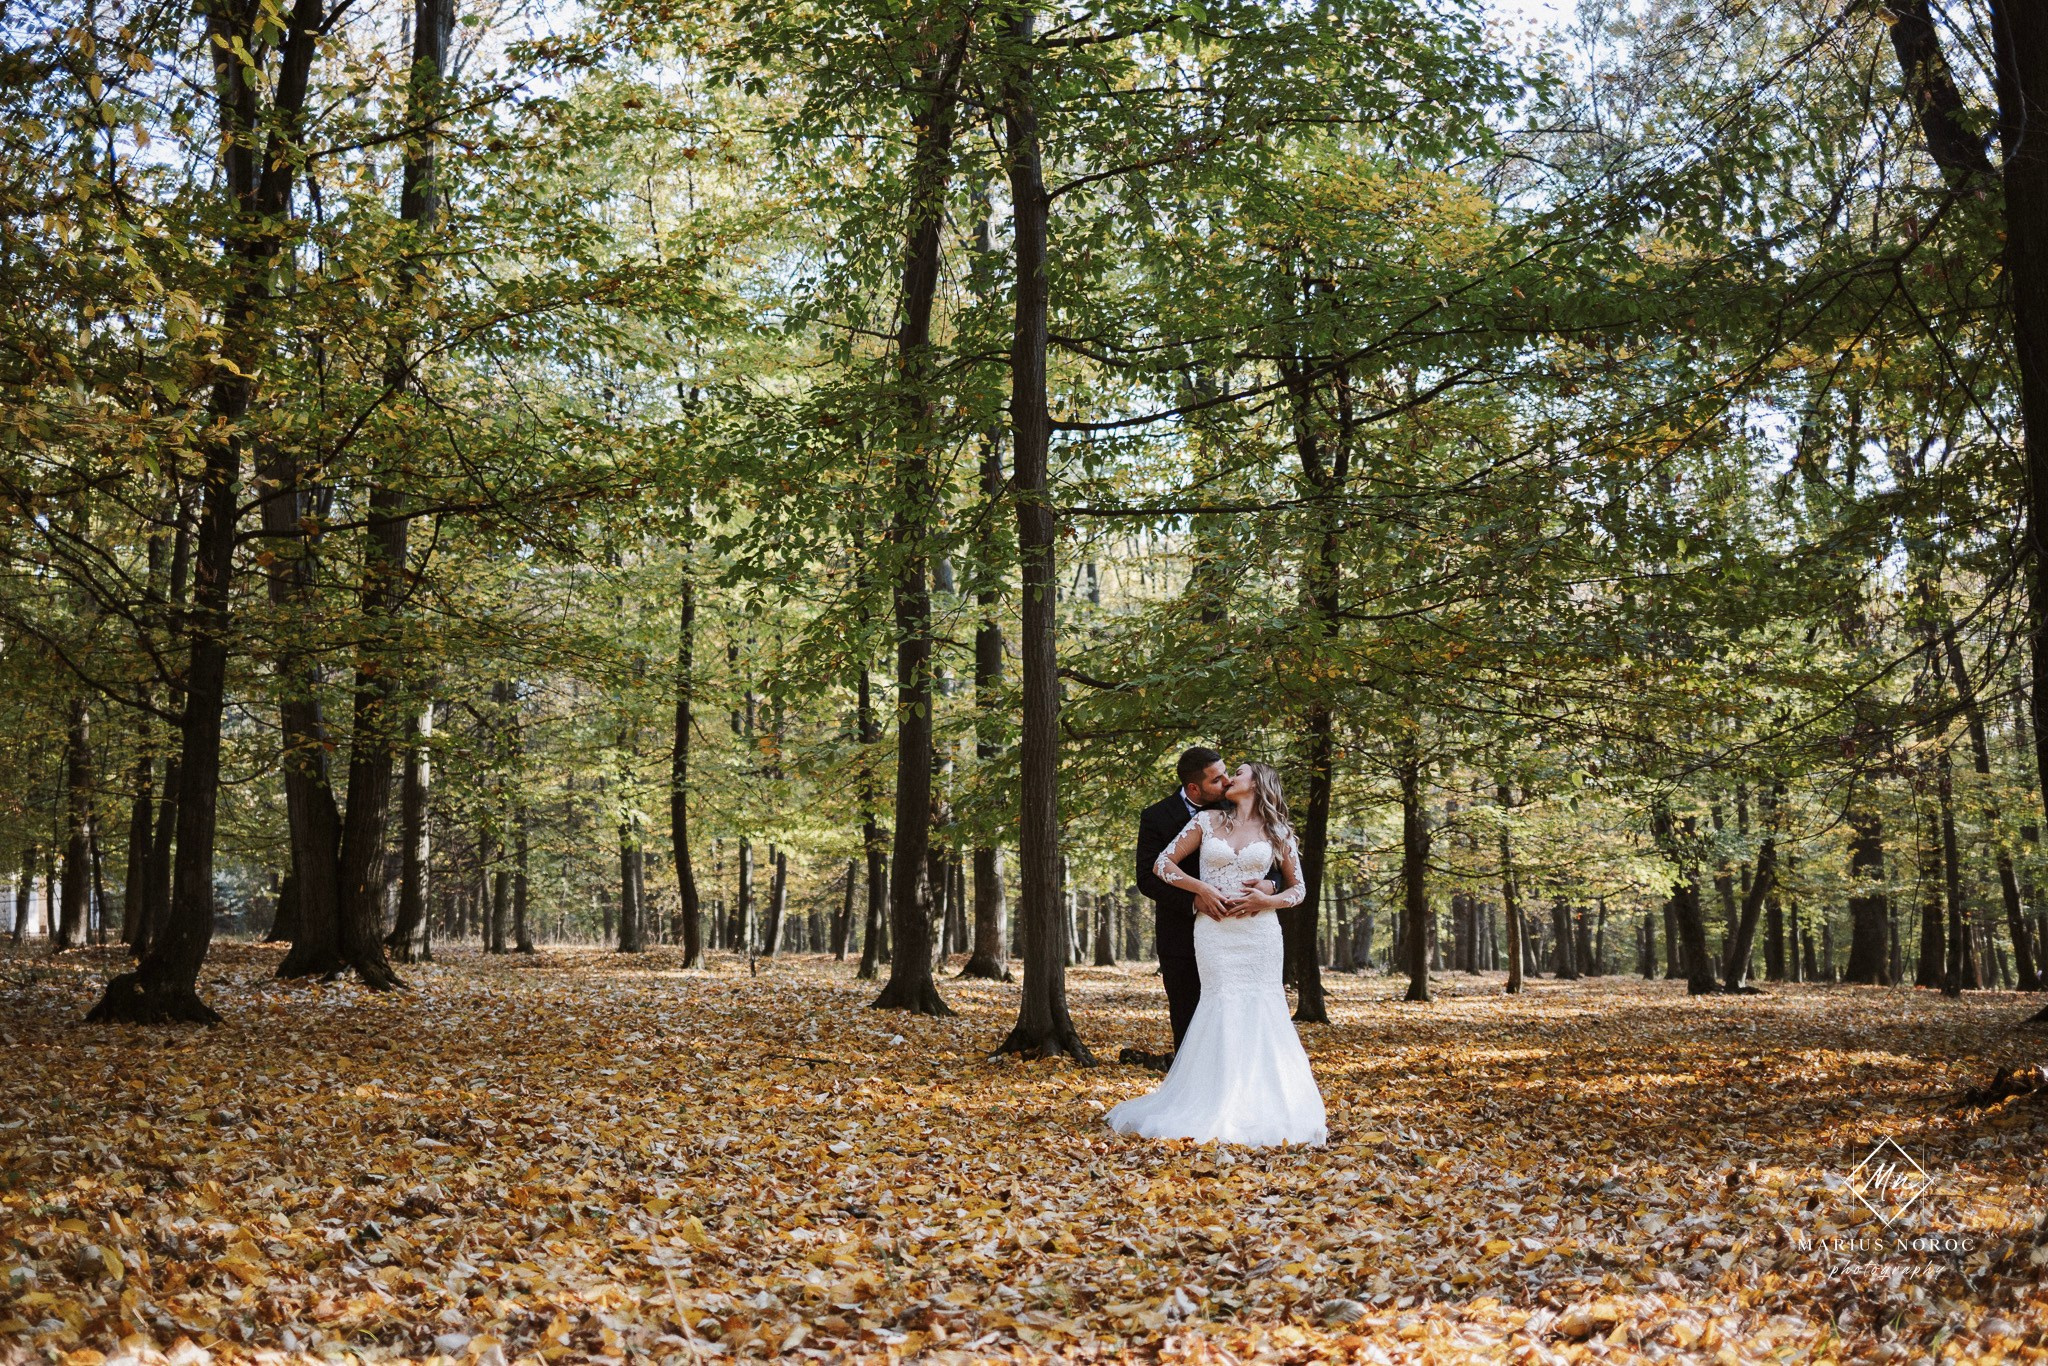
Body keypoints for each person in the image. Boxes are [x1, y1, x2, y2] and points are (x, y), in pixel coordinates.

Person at [1108, 761, 1327, 1146]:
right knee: (1219, 1006)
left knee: (1263, 1008)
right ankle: (1212, 1100)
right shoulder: (1208, 821)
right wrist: (1201, 889)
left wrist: (1268, 898)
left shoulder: (1278, 832)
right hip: (1214, 933)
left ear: (1258, 783)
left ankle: (1266, 1103)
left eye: (1238, 773)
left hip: (1259, 935)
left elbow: (1300, 890)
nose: (1228, 780)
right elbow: (1161, 864)